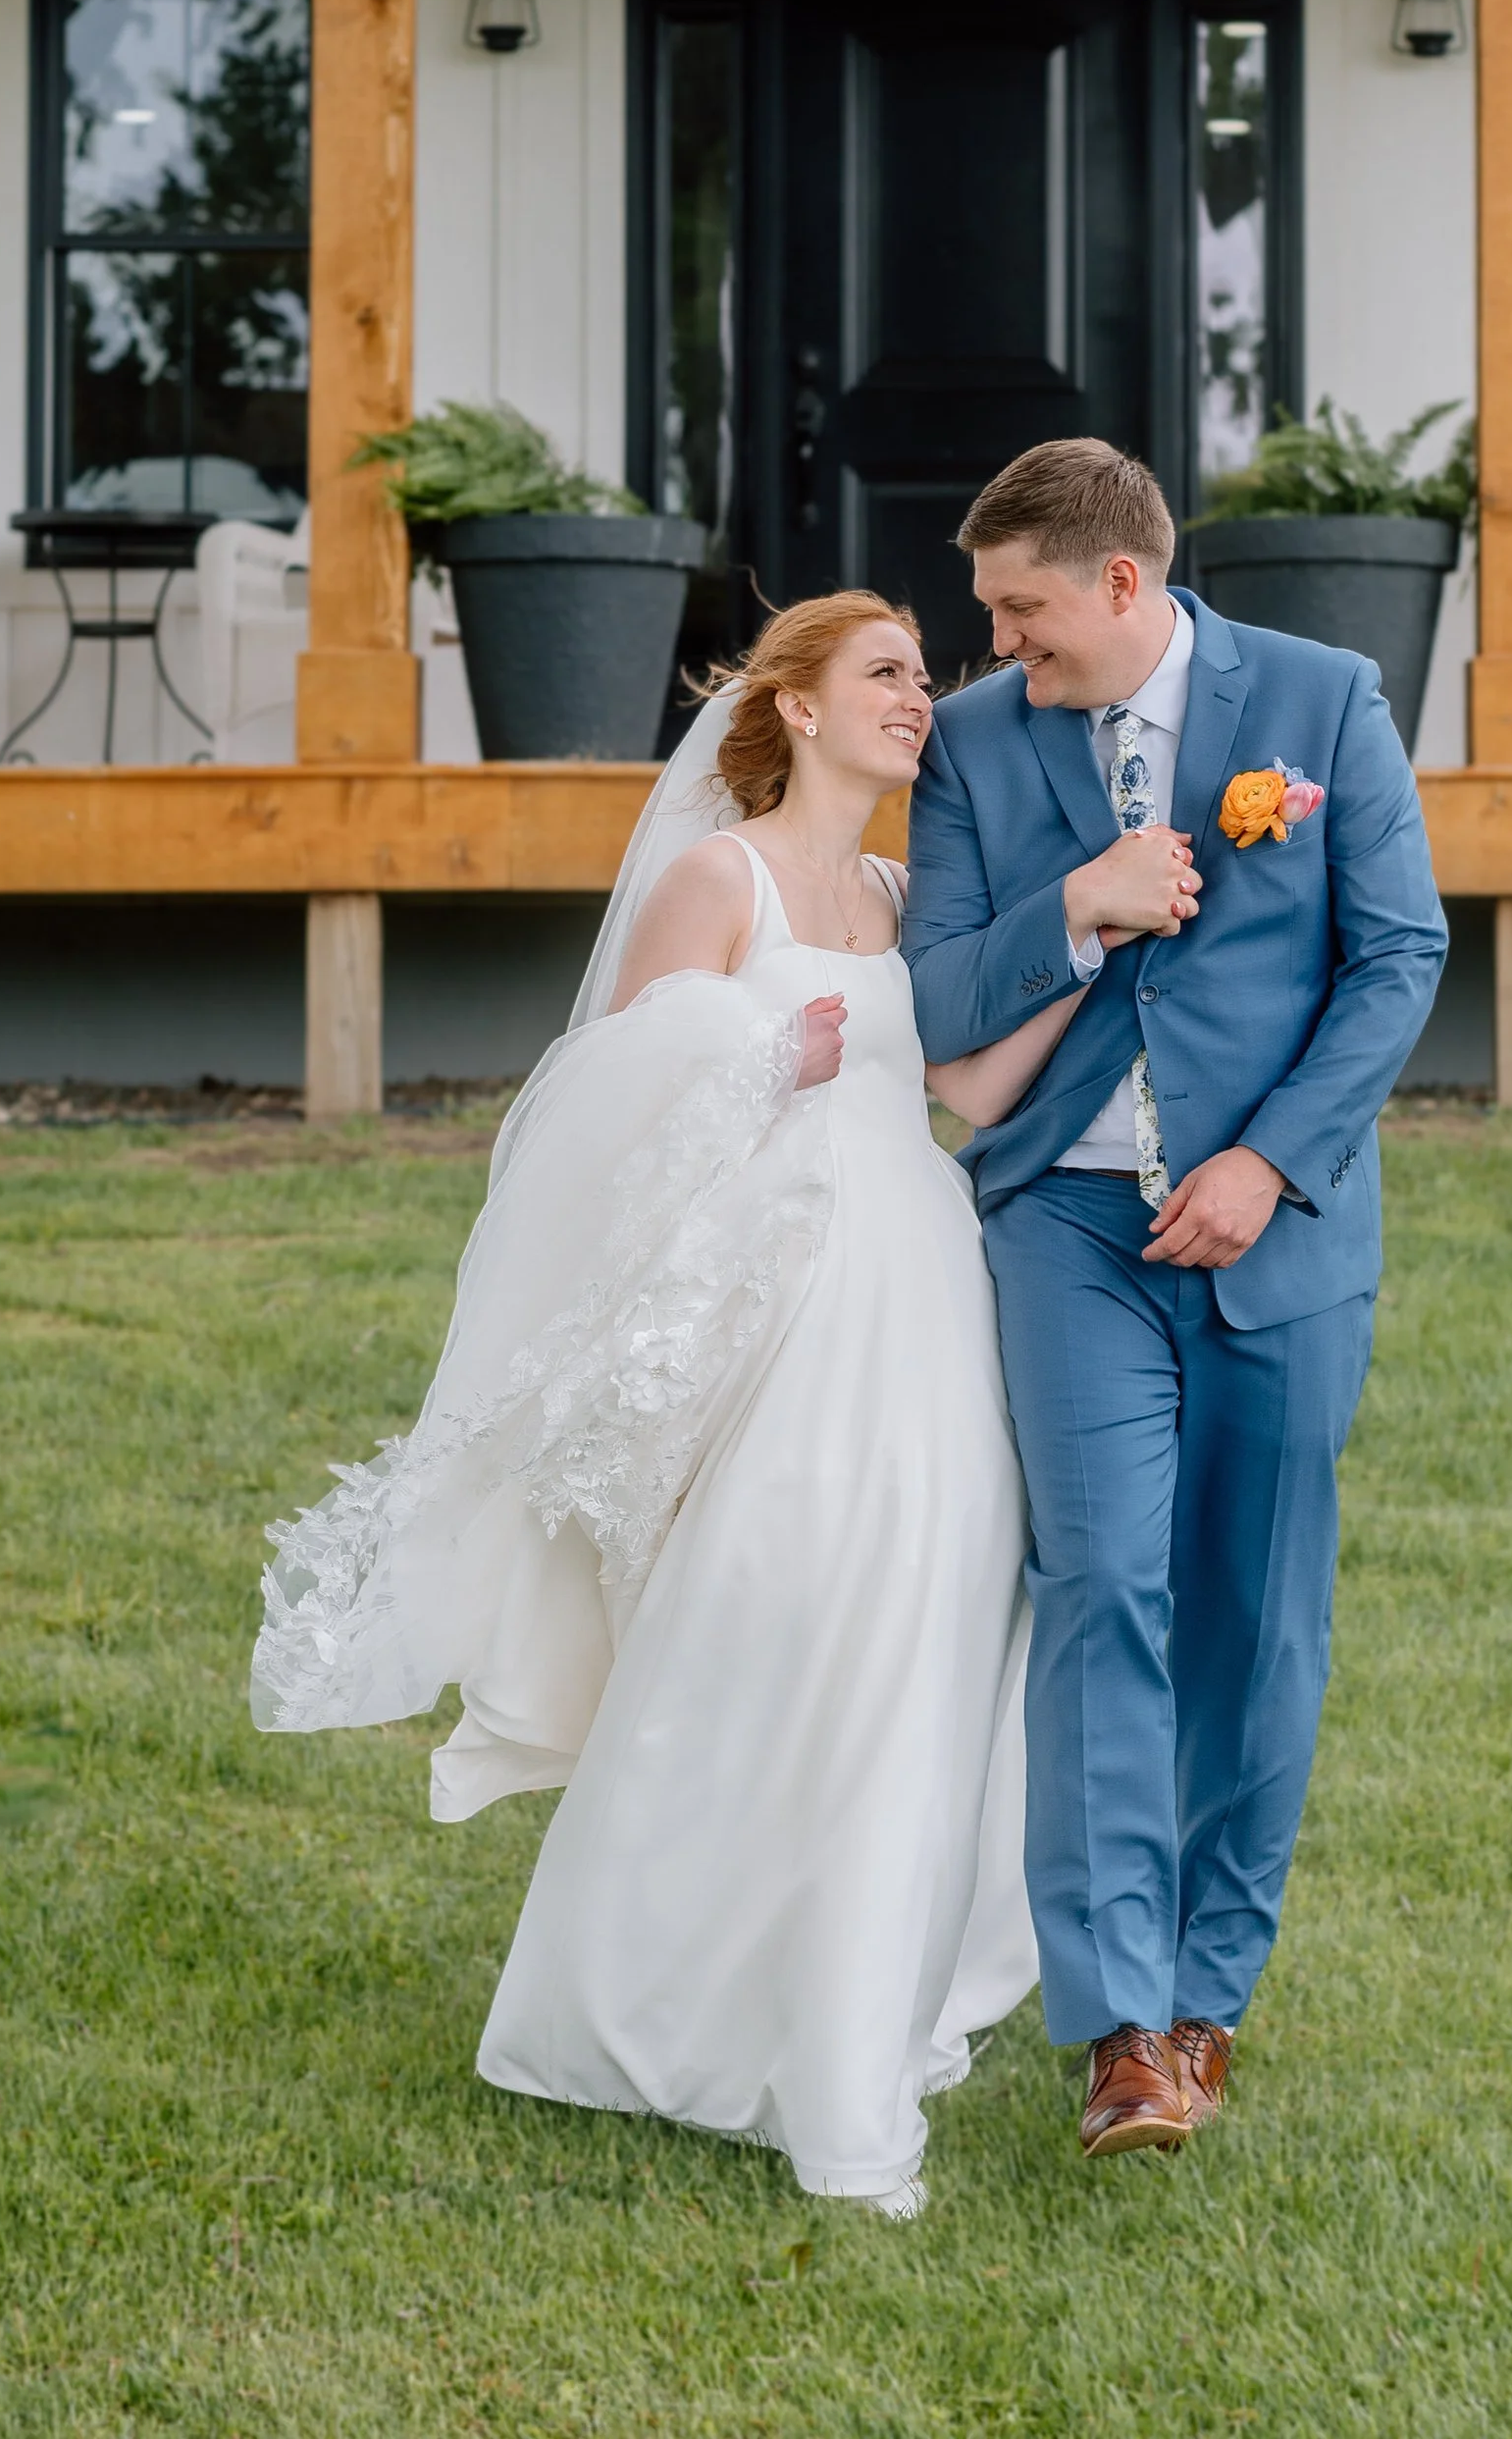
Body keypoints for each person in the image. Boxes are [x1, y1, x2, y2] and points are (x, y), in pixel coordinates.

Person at [252, 590, 1093, 2217]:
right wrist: (763, 1056)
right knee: (772, 1612)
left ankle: (860, 1984)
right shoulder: (724, 876)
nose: (922, 698)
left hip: (918, 1286)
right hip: (780, 1313)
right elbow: (605, 1106)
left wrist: (1091, 935)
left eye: (928, 675)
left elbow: (965, 1084)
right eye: (886, 675)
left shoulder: (903, 891)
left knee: (929, 1614)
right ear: (792, 707)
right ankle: (650, 2004)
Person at [905, 439, 1448, 2160]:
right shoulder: (982, 748)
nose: (996, 646)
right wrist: (1076, 907)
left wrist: (1273, 1163)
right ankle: (1124, 2030)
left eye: (1022, 609)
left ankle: (1211, 1998)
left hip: (1275, 1233)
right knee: (1099, 1594)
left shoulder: (1327, 697)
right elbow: (934, 998)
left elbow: (1400, 955)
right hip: (1065, 1229)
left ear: (1124, 584)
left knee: (1255, 1619)